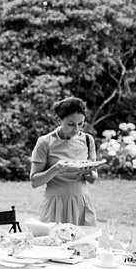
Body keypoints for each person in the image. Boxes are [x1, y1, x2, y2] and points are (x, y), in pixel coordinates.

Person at [29, 96, 99, 227]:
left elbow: (93, 178)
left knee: (84, 246)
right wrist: (56, 168)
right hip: (55, 205)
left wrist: (88, 172)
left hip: (82, 204)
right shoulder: (45, 142)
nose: (76, 129)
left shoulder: (88, 140)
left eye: (81, 124)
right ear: (58, 120)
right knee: (54, 245)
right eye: (71, 124)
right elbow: (34, 181)